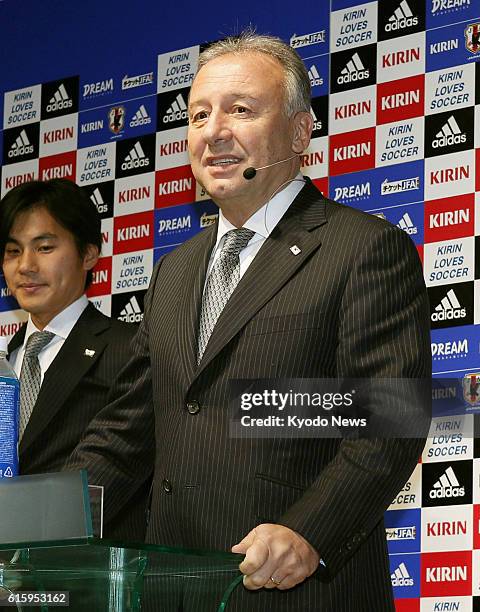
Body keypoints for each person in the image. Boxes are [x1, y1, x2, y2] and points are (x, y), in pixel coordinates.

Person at [68, 32, 431, 610]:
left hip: (297, 589)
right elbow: (124, 435)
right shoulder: (174, 271)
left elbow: (390, 416)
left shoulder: (362, 248)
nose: (214, 132)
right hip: (171, 586)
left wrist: (308, 531)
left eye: (241, 110)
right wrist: (37, 520)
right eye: (199, 115)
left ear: (299, 130)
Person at [0, 178, 150, 542]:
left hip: (87, 578)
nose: (26, 266)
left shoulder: (130, 349)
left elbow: (117, 467)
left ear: (88, 253)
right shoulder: (6, 365)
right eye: (12, 251)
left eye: (45, 247)